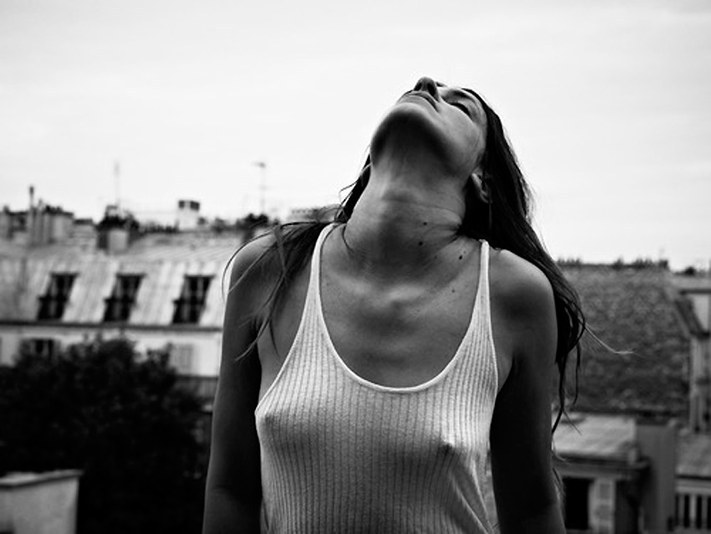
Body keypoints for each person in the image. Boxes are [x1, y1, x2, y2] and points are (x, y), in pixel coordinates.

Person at [202, 76, 585, 534]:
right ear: (371, 161)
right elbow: (229, 489)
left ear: (482, 178)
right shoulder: (269, 270)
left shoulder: (514, 294)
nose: (426, 85)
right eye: (418, 90)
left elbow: (531, 511)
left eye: (461, 106)